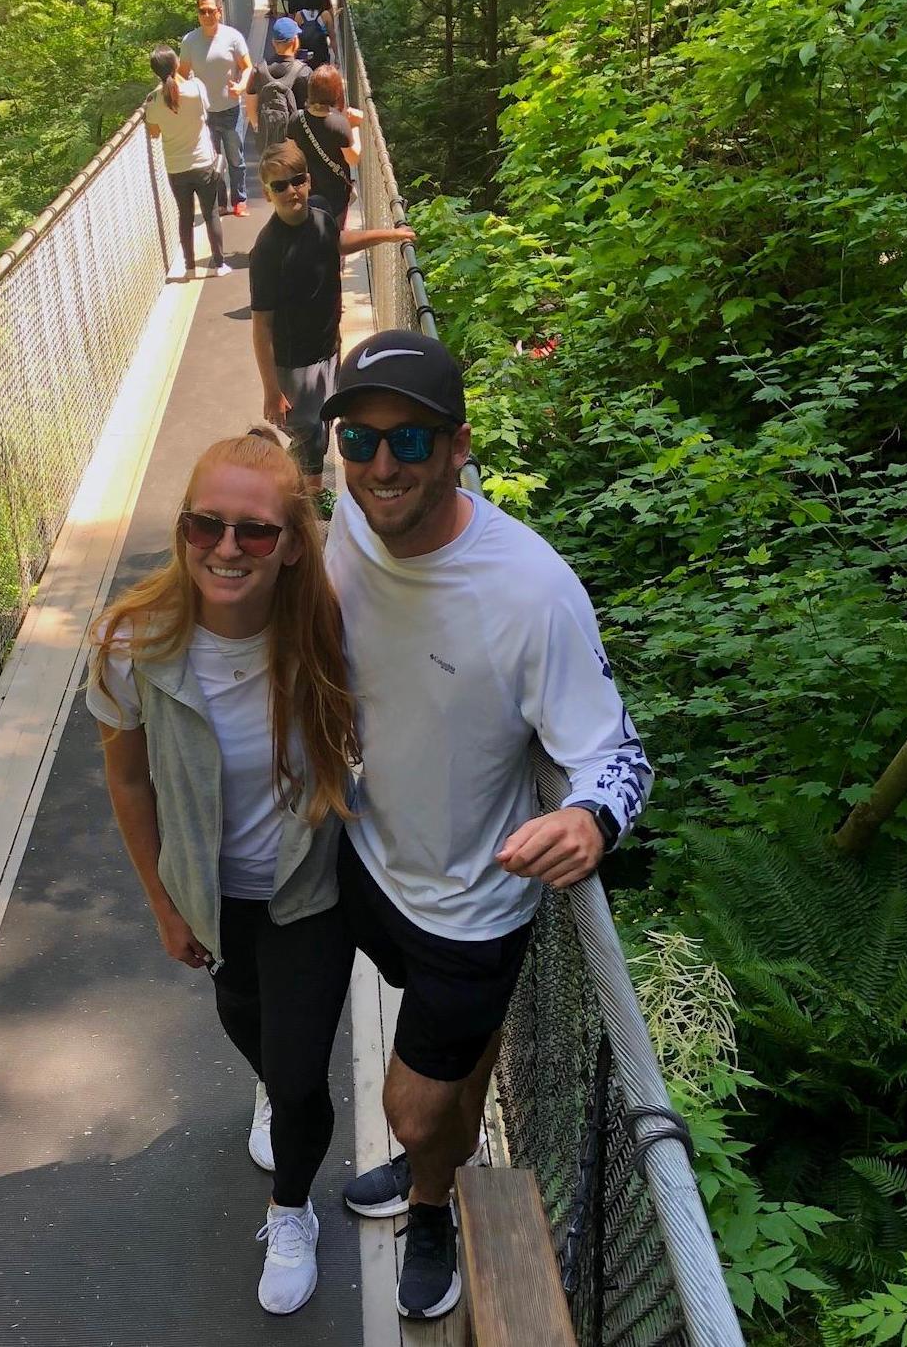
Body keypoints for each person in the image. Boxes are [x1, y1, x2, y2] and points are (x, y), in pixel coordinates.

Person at [319, 330, 654, 1321]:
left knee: (410, 1103)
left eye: (410, 442)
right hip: (372, 856)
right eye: (358, 437)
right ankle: (437, 1170)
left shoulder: (529, 591)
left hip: (475, 901)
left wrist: (590, 820)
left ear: (458, 445)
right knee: (451, 1077)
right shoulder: (346, 509)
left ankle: (431, 1202)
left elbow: (618, 753)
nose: (381, 465)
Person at [87, 431, 360, 1316]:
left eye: (254, 531)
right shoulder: (134, 642)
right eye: (208, 525)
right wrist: (164, 904)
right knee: (244, 1018)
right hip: (213, 896)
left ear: (290, 543)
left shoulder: (329, 625)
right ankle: (269, 1087)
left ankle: (291, 1210)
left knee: (301, 1076)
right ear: (183, 529)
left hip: (309, 888)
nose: (228, 549)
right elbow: (128, 777)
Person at [249, 141, 414, 508]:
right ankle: (307, 503)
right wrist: (271, 389)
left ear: (308, 181)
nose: (292, 190)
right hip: (295, 362)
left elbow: (337, 243)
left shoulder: (320, 213)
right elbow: (261, 326)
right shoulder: (267, 251)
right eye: (280, 186)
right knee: (309, 435)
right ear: (268, 193)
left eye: (298, 180)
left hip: (328, 346)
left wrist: (390, 235)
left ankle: (285, 483)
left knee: (320, 423)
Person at [143, 46, 228, 278]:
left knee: (185, 216)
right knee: (211, 214)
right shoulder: (196, 88)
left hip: (176, 168)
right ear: (176, 64)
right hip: (203, 162)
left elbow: (154, 132)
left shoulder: (153, 102)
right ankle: (219, 265)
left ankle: (189, 268)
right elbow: (206, 111)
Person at [180, 0, 251, 217]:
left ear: (219, 12)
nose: (206, 15)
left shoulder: (233, 37)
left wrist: (241, 86)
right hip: (204, 112)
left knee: (235, 159)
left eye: (211, 11)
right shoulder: (190, 41)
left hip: (230, 110)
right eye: (202, 11)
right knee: (212, 161)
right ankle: (221, 203)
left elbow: (248, 66)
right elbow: (182, 75)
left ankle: (239, 200)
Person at [288, 63, 358, 226]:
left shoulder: (296, 119)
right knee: (335, 239)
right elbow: (353, 158)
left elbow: (291, 153)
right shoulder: (340, 125)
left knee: (309, 235)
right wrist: (354, 126)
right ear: (336, 92)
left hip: (306, 192)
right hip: (335, 196)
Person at [245, 19, 311, 151]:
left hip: (268, 143)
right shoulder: (304, 72)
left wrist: (259, 129)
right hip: (295, 145)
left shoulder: (259, 70)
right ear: (295, 41)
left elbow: (250, 105)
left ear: (273, 43)